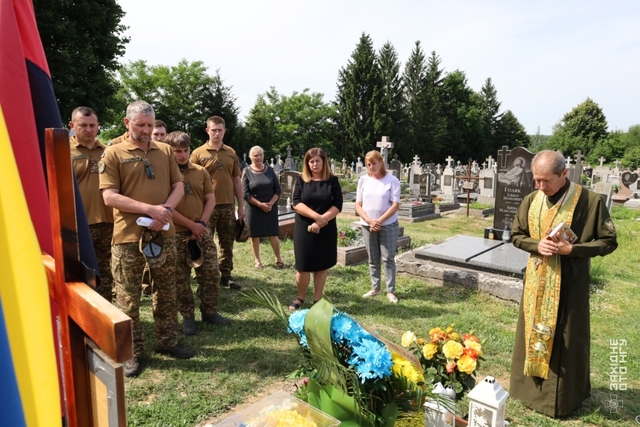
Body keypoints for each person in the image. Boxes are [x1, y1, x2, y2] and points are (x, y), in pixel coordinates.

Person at [509, 150, 617, 417]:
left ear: (564, 173)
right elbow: (516, 235)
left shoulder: (589, 201)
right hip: (536, 283)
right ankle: (527, 392)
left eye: (546, 180)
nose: (540, 186)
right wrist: (536, 244)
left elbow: (608, 241)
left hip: (570, 284)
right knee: (532, 332)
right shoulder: (531, 199)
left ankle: (562, 399)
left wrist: (573, 250)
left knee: (566, 338)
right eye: (536, 180)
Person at [100, 100, 194, 377]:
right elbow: (109, 196)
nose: (145, 130)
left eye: (150, 125)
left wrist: (165, 212)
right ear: (127, 123)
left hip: (163, 233)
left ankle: (168, 340)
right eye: (140, 124)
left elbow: (178, 186)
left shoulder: (164, 151)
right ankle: (132, 352)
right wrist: (150, 209)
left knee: (166, 291)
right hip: (128, 237)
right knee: (128, 298)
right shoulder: (113, 153)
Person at [167, 131, 231, 335]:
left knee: (210, 272)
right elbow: (166, 207)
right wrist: (190, 225)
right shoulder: (165, 174)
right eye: (177, 151)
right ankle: (187, 316)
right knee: (181, 278)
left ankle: (210, 311)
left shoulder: (201, 172)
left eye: (185, 150)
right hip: (177, 233)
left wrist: (201, 223)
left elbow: (210, 199)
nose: (182, 155)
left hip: (202, 230)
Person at [190, 116, 244, 290]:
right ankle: (203, 277)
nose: (217, 133)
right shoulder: (198, 153)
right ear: (207, 131)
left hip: (228, 205)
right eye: (213, 130)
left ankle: (226, 275)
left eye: (220, 130)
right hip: (206, 207)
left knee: (227, 243)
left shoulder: (231, 152)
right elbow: (191, 179)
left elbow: (237, 180)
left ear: (224, 131)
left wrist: (241, 206)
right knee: (204, 243)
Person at [69, 106, 114, 301]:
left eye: (92, 125)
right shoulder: (62, 150)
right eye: (83, 125)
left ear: (98, 126)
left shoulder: (108, 152)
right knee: (79, 272)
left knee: (106, 272)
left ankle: (105, 310)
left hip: (107, 221)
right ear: (72, 125)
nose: (88, 129)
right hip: (77, 224)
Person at [289, 147, 342, 311]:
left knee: (321, 264)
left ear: (324, 162)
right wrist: (316, 217)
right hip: (304, 227)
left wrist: (321, 221)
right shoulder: (301, 179)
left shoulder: (332, 180)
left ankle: (317, 298)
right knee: (303, 265)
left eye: (317, 161)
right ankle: (300, 297)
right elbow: (296, 202)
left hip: (326, 228)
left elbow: (338, 204)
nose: (314, 164)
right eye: (311, 161)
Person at [355, 150, 401, 304]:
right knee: (373, 258)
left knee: (388, 258)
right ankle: (376, 288)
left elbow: (395, 205)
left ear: (381, 162)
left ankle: (390, 290)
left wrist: (379, 221)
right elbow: (358, 205)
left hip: (387, 224)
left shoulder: (392, 180)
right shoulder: (363, 180)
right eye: (368, 164)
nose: (371, 167)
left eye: (374, 163)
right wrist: (369, 221)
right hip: (367, 224)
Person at [242, 146, 284, 269]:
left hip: (270, 207)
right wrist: (260, 204)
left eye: (260, 155)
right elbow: (245, 193)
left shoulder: (270, 170)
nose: (259, 157)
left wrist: (270, 203)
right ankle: (257, 260)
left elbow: (277, 189)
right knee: (254, 235)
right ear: (250, 157)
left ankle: (278, 258)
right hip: (254, 207)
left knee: (273, 233)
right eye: (256, 155)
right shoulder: (246, 171)